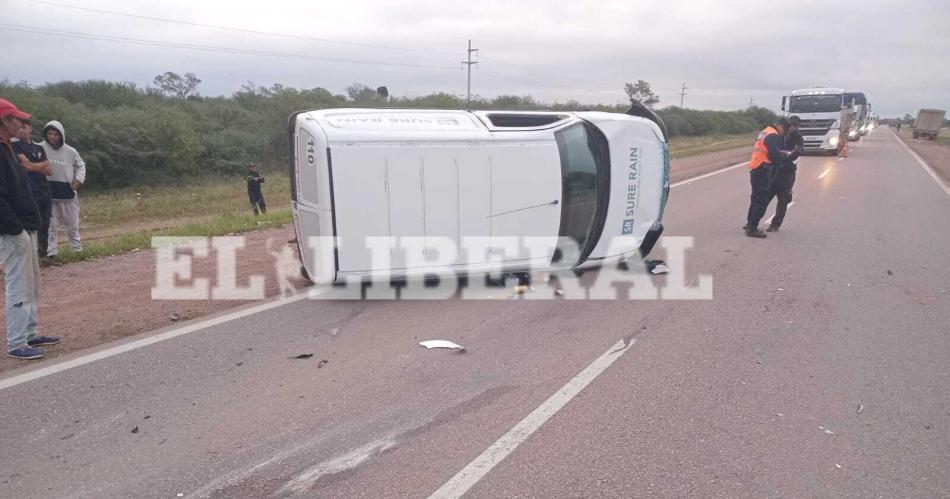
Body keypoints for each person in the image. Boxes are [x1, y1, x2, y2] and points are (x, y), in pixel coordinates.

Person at [0, 98, 59, 360]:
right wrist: (15, 228)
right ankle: (16, 341)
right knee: (18, 283)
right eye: (17, 120)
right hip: (12, 230)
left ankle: (30, 332)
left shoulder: (8, 148)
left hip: (26, 225)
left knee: (32, 282)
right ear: (4, 121)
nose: (22, 124)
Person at [39, 120, 85, 258]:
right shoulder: (39, 148)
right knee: (50, 226)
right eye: (50, 134)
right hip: (48, 194)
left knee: (72, 224)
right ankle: (50, 253)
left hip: (67, 194)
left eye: (55, 134)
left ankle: (77, 250)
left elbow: (81, 165)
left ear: (61, 135)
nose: (52, 137)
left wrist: (78, 180)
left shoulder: (71, 151)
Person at [11, 120, 53, 259]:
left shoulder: (39, 147)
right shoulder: (15, 145)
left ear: (30, 128)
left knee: (45, 223)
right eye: (19, 127)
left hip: (44, 190)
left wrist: (34, 166)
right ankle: (30, 255)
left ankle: (43, 254)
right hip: (29, 190)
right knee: (31, 223)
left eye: (24, 127)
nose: (21, 130)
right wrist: (40, 166)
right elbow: (25, 166)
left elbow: (49, 170)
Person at [744, 117, 789, 238]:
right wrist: (782, 161)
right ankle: (752, 228)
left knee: (755, 198)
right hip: (762, 169)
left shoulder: (765, 131)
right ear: (780, 126)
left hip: (755, 167)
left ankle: (749, 224)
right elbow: (774, 153)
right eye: (784, 130)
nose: (782, 133)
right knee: (761, 199)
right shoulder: (773, 135)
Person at [766, 115, 803, 232]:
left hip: (788, 172)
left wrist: (785, 156)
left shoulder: (799, 138)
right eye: (791, 124)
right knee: (765, 196)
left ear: (798, 127)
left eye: (795, 125)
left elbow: (797, 153)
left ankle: (775, 224)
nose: (793, 127)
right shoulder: (779, 135)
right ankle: (753, 221)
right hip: (775, 170)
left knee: (783, 199)